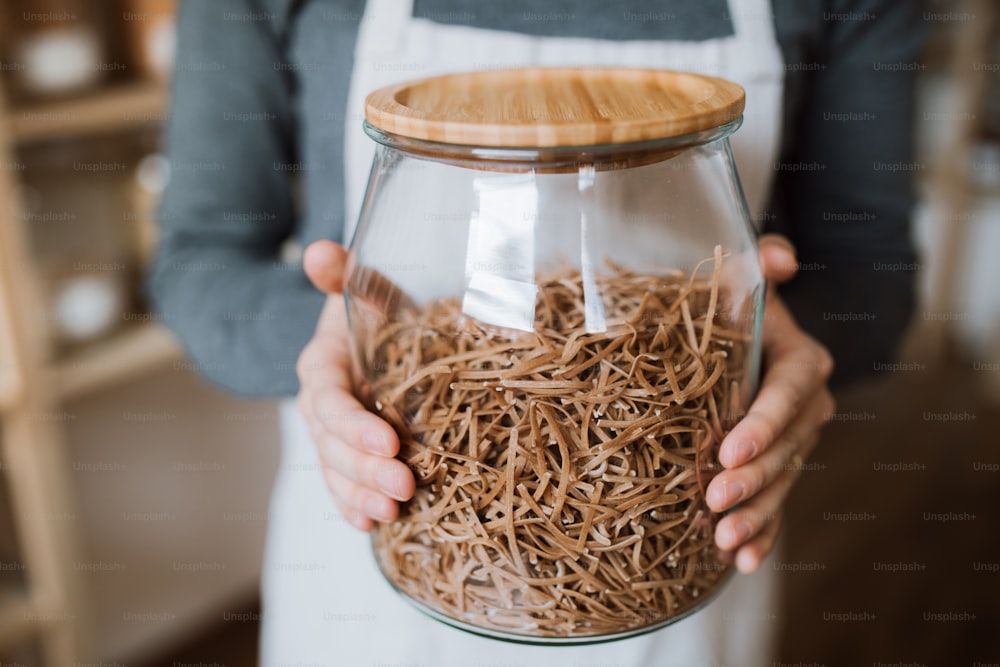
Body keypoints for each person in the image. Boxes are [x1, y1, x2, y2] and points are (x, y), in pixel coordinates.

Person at [151, 1, 924, 665]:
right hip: (387, 533)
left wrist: (775, 340)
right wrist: (332, 340)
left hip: (672, 535)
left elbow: (874, 279)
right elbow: (197, 262)